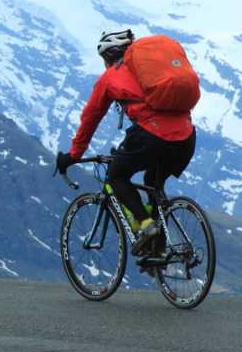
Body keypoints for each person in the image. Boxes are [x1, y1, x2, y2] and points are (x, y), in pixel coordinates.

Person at [55, 29, 196, 255]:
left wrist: (74, 155)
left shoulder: (110, 77)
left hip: (152, 135)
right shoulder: (153, 72)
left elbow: (90, 118)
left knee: (116, 175)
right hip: (186, 138)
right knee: (153, 182)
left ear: (108, 56)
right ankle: (158, 252)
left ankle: (147, 225)